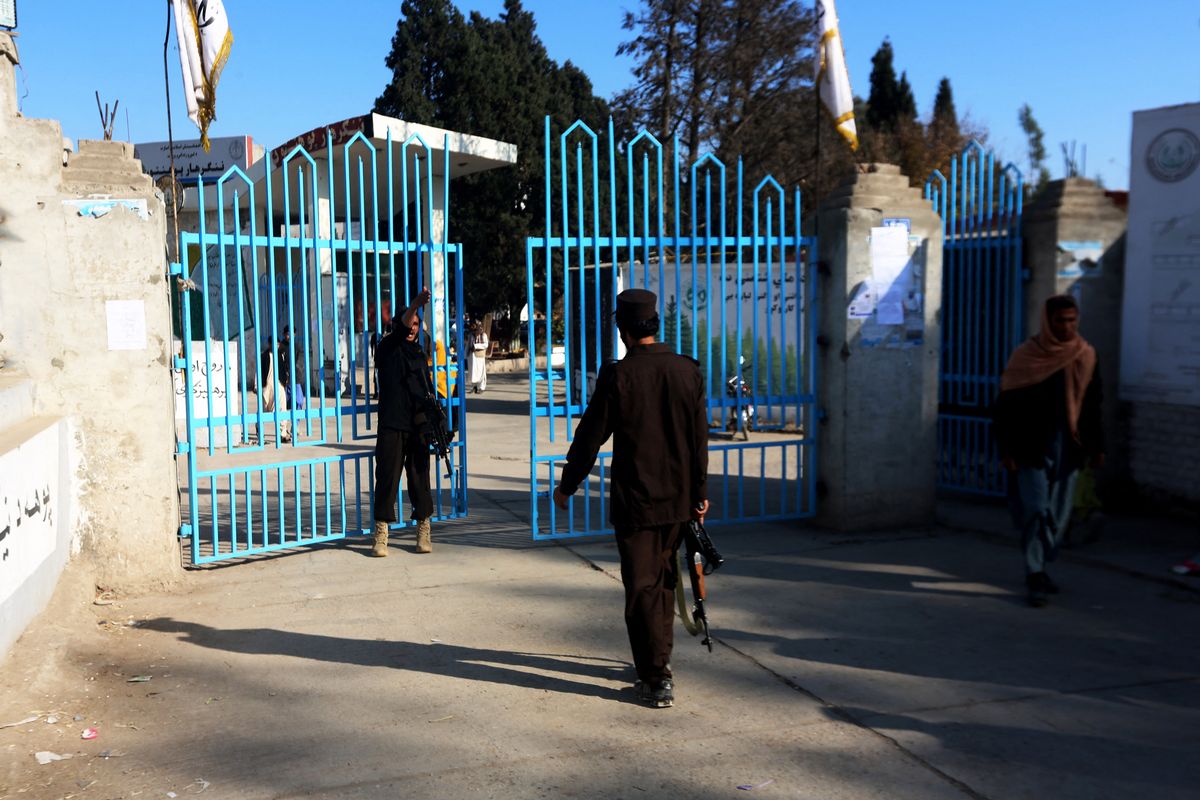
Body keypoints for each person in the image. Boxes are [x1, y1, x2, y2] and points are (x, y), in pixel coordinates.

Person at [553, 288, 709, 708]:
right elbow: (699, 441)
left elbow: (590, 437)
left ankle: (656, 679)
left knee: (642, 589)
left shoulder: (619, 376)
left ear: (622, 329)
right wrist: (700, 494)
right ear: (655, 323)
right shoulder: (687, 371)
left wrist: (568, 485)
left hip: (637, 503)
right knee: (661, 583)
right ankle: (659, 662)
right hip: (678, 502)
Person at [993, 294, 1104, 608]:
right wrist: (1006, 449)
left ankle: (1041, 560)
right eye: (1060, 321)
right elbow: (1005, 408)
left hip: (1069, 448)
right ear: (1047, 321)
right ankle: (1035, 573)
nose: (1067, 327)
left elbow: (1094, 405)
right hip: (1030, 447)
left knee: (1057, 515)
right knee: (1036, 510)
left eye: (1072, 320)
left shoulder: (1086, 355)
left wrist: (1097, 447)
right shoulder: (1026, 356)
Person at [371, 287, 436, 557]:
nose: (413, 327)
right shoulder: (387, 347)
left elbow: (427, 388)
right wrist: (415, 305)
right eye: (410, 322)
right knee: (387, 479)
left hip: (418, 425)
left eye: (417, 324)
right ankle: (381, 533)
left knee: (420, 479)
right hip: (392, 424)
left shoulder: (420, 353)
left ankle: (423, 527)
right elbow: (400, 329)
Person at [258, 334, 292, 444]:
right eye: (274, 344)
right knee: (264, 410)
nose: (277, 346)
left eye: (278, 344)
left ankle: (282, 433)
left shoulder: (280, 355)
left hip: (279, 385)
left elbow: (285, 369)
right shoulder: (263, 356)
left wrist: (285, 381)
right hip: (266, 387)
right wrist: (256, 385)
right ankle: (259, 428)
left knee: (282, 408)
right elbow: (258, 372)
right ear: (269, 344)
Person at [468, 320, 489, 394]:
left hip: (479, 356)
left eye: (474, 326)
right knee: (473, 372)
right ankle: (474, 387)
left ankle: (481, 387)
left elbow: (486, 345)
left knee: (481, 372)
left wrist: (476, 346)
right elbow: (468, 345)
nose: (472, 327)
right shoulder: (471, 335)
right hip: (471, 356)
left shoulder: (483, 335)